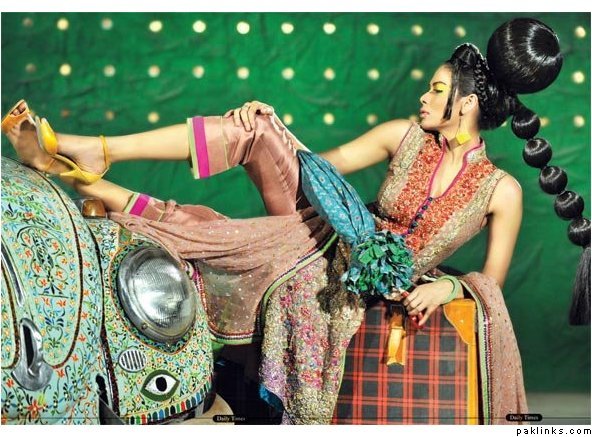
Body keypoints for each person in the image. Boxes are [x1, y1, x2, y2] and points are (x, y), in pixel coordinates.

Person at [2, 17, 589, 424]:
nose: (423, 97)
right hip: (325, 232)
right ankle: (95, 149)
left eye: (436, 90)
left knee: (216, 235)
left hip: (365, 281)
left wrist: (445, 287)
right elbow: (319, 169)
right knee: (255, 126)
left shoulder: (500, 190)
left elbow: (492, 282)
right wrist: (275, 128)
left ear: (467, 103)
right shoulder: (402, 135)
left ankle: (86, 180)